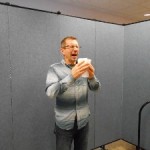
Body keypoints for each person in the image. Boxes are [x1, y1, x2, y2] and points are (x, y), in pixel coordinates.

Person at [45, 36, 101, 150]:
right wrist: (72, 76)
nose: (75, 49)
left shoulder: (83, 67)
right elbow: (50, 93)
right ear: (62, 51)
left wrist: (91, 76)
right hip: (64, 124)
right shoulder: (54, 69)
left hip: (83, 122)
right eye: (70, 46)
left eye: (76, 46)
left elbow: (96, 88)